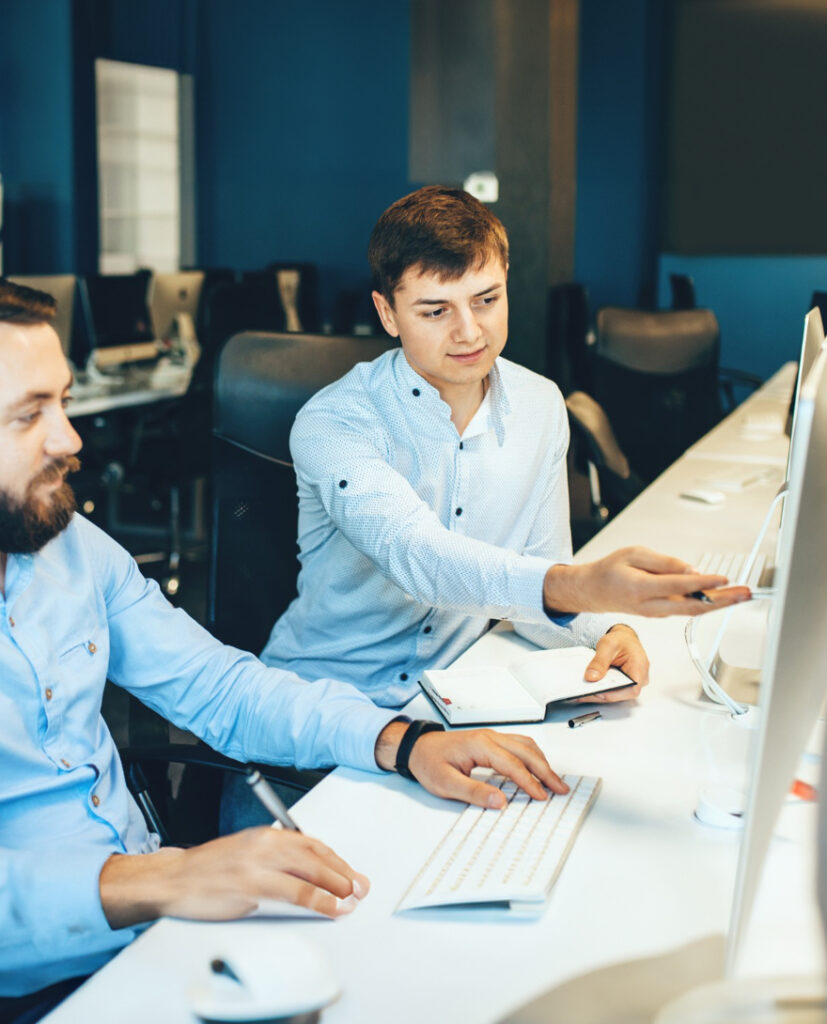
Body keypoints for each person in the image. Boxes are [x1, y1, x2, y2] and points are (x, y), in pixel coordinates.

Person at [0, 279, 578, 1008]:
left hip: (158, 933)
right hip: (40, 978)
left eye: (64, 402)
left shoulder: (73, 550)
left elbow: (218, 687)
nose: (70, 439)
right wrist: (156, 879)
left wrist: (402, 741)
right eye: (28, 417)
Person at [260, 186, 748, 705]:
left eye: (486, 300)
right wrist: (580, 585)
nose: (470, 332)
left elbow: (536, 584)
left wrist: (600, 631)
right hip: (322, 706)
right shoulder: (335, 420)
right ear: (387, 313)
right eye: (434, 312)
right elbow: (418, 558)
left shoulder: (539, 406)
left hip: (453, 698)